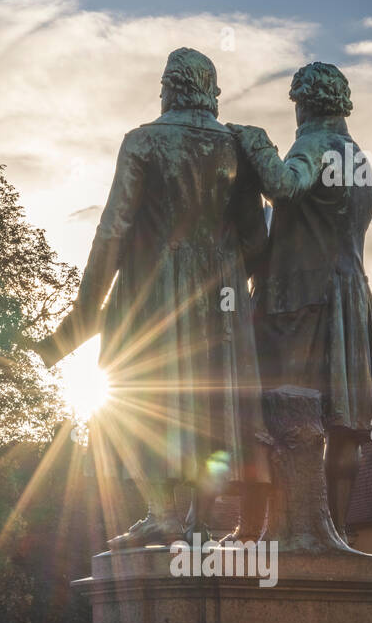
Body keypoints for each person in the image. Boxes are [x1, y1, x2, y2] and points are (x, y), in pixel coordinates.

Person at [34, 48, 270, 546]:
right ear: (210, 91)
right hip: (222, 296)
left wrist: (79, 320)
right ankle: (199, 521)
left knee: (145, 396)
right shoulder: (237, 150)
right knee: (210, 399)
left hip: (153, 290)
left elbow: (112, 231)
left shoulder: (142, 142)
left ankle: (164, 512)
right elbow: (256, 239)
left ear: (169, 87)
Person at [228, 62, 372, 535]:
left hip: (301, 302)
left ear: (303, 102)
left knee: (274, 414)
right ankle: (335, 535)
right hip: (352, 300)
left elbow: (283, 186)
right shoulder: (358, 156)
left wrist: (255, 141)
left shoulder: (314, 143)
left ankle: (272, 531)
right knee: (345, 425)